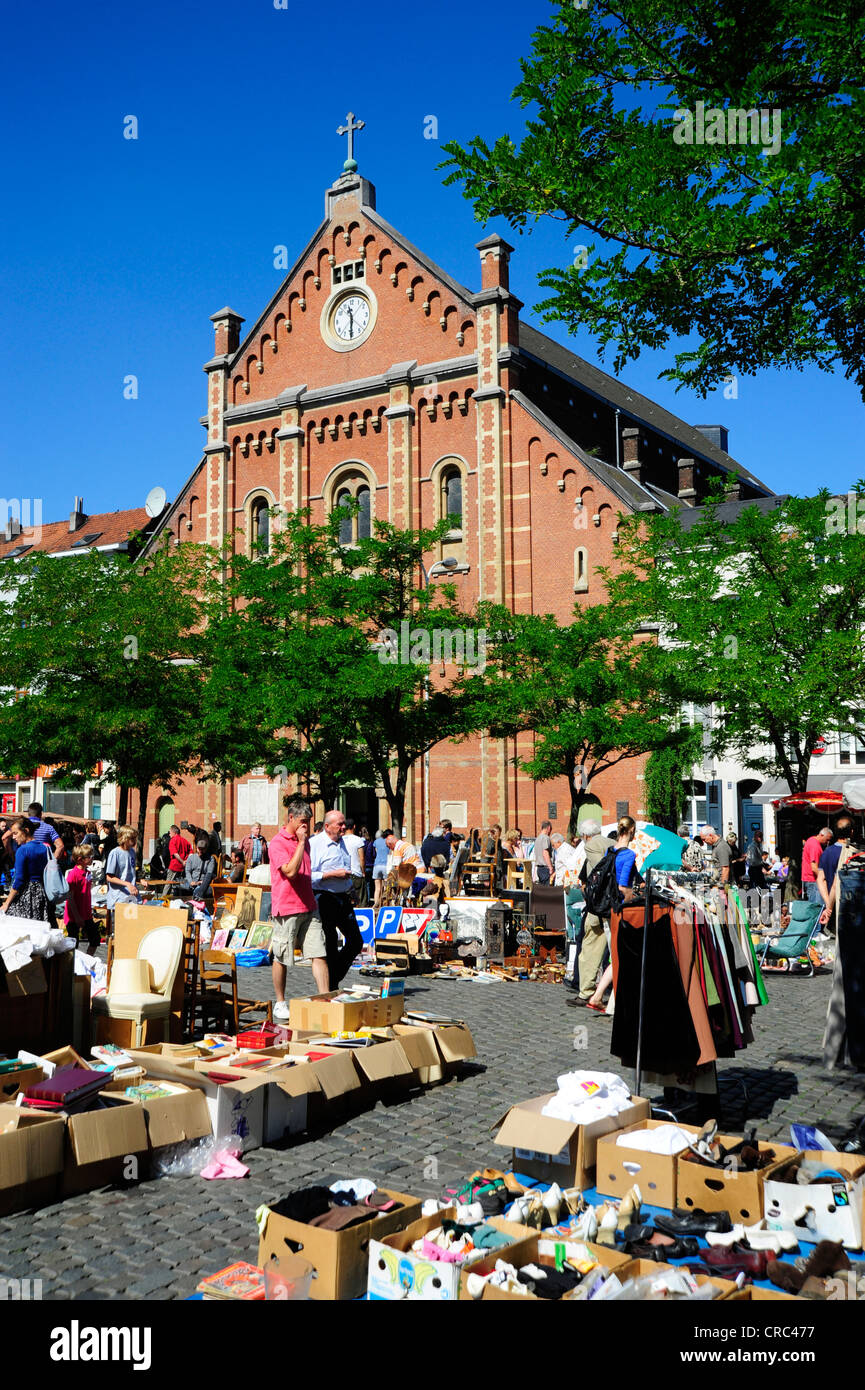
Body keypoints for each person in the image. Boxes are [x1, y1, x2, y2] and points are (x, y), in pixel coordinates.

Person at [269, 798, 330, 1017]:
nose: (307, 826)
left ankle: (325, 998)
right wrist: (301, 843)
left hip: (309, 905)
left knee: (318, 953)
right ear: (291, 818)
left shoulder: (308, 841)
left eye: (309, 822)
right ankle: (280, 1001)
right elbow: (291, 872)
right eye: (303, 821)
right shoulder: (277, 843)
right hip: (286, 907)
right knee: (281, 956)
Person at [310, 810, 364, 990]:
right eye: (339, 824)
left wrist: (351, 890)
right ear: (327, 826)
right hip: (323, 897)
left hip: (343, 896)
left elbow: (345, 869)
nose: (344, 827)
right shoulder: (315, 844)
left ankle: (333, 977)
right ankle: (331, 985)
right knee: (331, 944)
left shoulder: (343, 843)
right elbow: (308, 876)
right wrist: (331, 874)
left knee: (356, 941)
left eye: (344, 824)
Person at [0, 816, 50, 919]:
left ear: (26, 831)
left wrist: (6, 903)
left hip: (26, 894)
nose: (13, 837)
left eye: (15, 833)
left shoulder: (22, 850)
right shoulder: (45, 847)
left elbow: (19, 879)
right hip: (41, 893)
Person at [818, 816, 855, 930]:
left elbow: (820, 879)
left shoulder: (827, 852)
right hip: (848, 906)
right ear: (852, 832)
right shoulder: (851, 853)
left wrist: (828, 904)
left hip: (832, 906)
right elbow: (835, 883)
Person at [64, 844, 100, 953]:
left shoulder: (88, 872)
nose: (92, 858)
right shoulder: (73, 875)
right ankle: (71, 968)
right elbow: (70, 898)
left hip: (86, 914)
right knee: (73, 945)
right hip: (74, 916)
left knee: (95, 939)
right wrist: (77, 916)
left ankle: (86, 963)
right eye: (89, 856)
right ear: (80, 859)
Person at [104, 826, 141, 925]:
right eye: (132, 838)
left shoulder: (132, 852)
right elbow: (109, 877)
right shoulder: (115, 853)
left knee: (131, 926)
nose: (134, 841)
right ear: (124, 838)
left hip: (131, 897)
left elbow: (130, 872)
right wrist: (127, 884)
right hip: (119, 897)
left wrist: (140, 880)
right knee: (119, 927)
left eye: (135, 838)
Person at [801, 826, 833, 904]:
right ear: (821, 835)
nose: (828, 842)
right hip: (813, 881)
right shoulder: (815, 846)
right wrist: (824, 880)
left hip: (810, 880)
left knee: (815, 907)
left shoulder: (811, 840)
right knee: (817, 908)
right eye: (827, 839)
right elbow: (814, 867)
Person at [342, 817, 367, 906]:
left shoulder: (340, 840)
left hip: (344, 874)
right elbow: (362, 858)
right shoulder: (358, 840)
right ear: (354, 826)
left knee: (346, 901)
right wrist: (363, 871)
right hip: (356, 873)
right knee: (360, 900)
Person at [184, 835, 218, 900]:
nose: (200, 851)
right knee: (177, 888)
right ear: (196, 848)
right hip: (192, 881)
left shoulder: (210, 859)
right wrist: (191, 881)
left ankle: (198, 896)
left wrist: (203, 882)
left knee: (208, 887)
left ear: (206, 849)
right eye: (199, 849)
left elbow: (209, 873)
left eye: (203, 849)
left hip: (203, 883)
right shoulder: (191, 858)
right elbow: (187, 871)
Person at [165, 823, 192, 888]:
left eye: (170, 832)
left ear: (174, 832)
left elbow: (175, 853)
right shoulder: (185, 841)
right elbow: (191, 852)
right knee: (180, 885)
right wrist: (186, 861)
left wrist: (182, 861)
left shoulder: (172, 840)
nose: (169, 834)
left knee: (168, 884)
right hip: (183, 867)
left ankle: (163, 897)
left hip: (174, 866)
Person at [372, 827, 390, 910]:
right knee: (386, 887)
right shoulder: (388, 841)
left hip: (377, 865)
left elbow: (376, 852)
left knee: (377, 888)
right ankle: (385, 903)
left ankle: (376, 903)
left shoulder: (376, 842)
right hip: (386, 865)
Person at [532, 820, 554, 885]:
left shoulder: (538, 838)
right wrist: (550, 867)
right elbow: (545, 853)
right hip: (545, 868)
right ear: (549, 828)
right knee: (547, 890)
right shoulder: (545, 838)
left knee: (542, 889)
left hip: (539, 868)